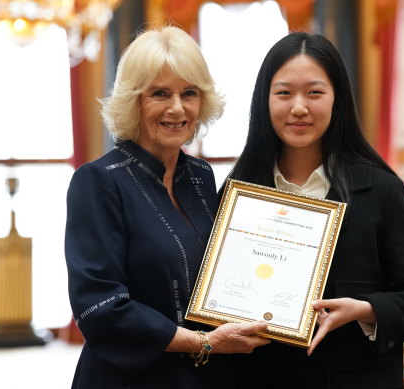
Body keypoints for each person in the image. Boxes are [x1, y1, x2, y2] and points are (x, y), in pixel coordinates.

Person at [227, 32, 404, 388]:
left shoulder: (381, 191)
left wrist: (365, 310)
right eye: (283, 93)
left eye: (314, 92)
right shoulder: (239, 193)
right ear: (263, 101)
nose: (299, 107)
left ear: (337, 99)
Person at [64, 26, 269, 389]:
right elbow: (100, 309)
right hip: (132, 379)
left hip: (207, 376)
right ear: (134, 100)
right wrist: (204, 343)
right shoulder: (97, 182)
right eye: (160, 93)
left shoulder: (202, 176)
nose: (177, 108)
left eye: (189, 93)